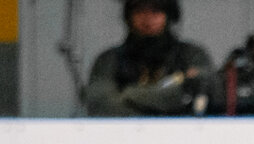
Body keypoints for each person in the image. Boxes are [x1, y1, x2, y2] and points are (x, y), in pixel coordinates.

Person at [85, 0, 213, 117]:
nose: (148, 18)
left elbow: (201, 90)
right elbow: (100, 103)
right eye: (139, 11)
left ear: (169, 15)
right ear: (129, 16)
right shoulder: (110, 59)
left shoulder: (190, 55)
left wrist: (129, 94)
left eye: (155, 11)